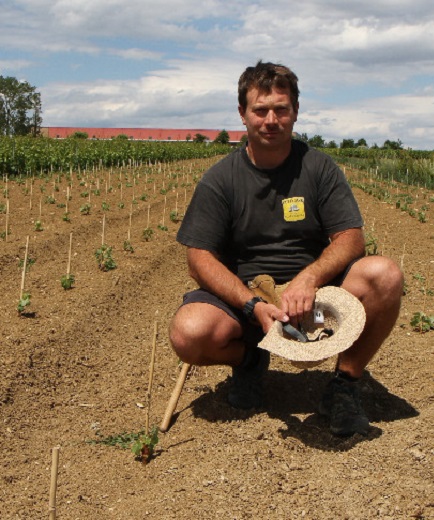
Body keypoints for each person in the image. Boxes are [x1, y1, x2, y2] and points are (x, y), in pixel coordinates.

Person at [168, 61, 404, 437]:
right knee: (189, 333)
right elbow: (198, 258)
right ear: (242, 115)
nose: (271, 119)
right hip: (245, 297)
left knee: (384, 274)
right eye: (260, 110)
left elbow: (351, 238)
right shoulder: (220, 180)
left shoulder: (318, 168)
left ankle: (344, 385)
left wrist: (308, 279)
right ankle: (249, 360)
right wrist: (252, 305)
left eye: (281, 108)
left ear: (295, 111)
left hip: (314, 295)